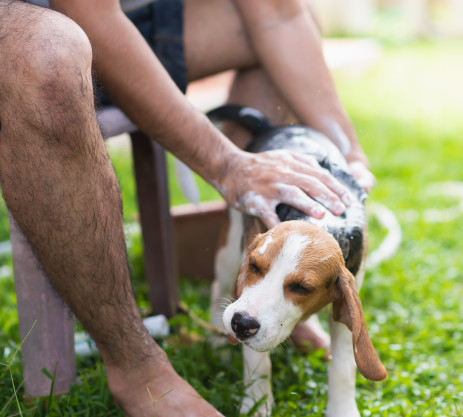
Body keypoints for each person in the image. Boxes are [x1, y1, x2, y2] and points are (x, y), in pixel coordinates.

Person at [0, 0, 373, 415]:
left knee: (296, 22)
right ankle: (135, 366)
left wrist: (349, 151)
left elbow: (278, 13)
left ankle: (285, 310)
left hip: (141, 14)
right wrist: (226, 162)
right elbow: (89, 12)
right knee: (48, 51)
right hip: (28, 18)